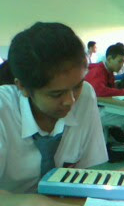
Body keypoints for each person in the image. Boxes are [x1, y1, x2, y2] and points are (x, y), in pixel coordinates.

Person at [0, 22, 108, 205]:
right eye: (56, 94)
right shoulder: (3, 110)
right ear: (23, 87)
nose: (71, 101)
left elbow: (88, 176)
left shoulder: (86, 96)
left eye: (77, 86)